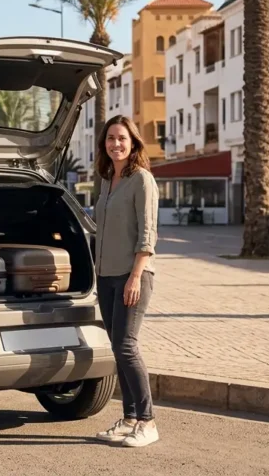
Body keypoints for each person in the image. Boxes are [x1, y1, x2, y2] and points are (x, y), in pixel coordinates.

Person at [92, 115, 159, 448]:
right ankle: (130, 418)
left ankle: (148, 421)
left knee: (126, 346)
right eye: (110, 138)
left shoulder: (141, 179)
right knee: (118, 348)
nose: (115, 144)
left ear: (133, 143)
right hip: (105, 276)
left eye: (121, 138)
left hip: (133, 275)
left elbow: (148, 234)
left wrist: (135, 277)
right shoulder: (107, 181)